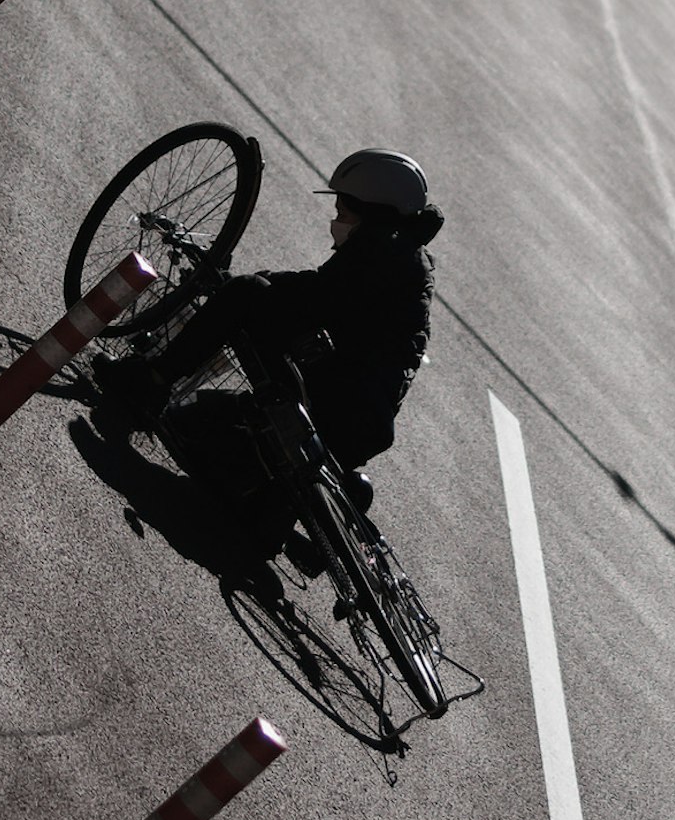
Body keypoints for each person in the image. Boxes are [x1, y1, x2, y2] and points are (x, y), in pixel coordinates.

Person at [80, 147, 440, 579]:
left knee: (244, 297)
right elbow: (325, 295)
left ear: (372, 208)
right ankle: (282, 512)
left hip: (336, 400)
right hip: (357, 418)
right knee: (196, 431)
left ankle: (148, 380)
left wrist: (247, 286)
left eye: (343, 208)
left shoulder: (381, 252)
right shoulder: (402, 255)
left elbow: (313, 300)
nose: (337, 216)